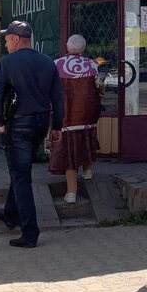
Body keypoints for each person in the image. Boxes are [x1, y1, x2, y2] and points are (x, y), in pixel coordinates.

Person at [0, 20, 64, 248]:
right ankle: (10, 214)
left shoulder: (7, 63)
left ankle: (30, 233)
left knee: (21, 177)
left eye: (6, 40)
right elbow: (58, 98)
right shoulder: (47, 62)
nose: (5, 44)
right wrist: (57, 126)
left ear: (15, 39)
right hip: (41, 122)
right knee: (20, 169)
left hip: (19, 124)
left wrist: (0, 123)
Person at [49, 34, 101, 204]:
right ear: (83, 49)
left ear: (67, 47)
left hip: (66, 115)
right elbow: (99, 88)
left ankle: (71, 193)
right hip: (88, 114)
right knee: (86, 138)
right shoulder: (92, 64)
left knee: (70, 150)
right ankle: (87, 170)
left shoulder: (57, 64)